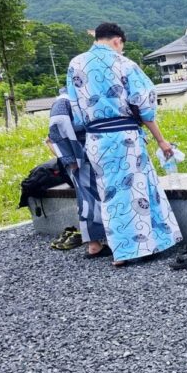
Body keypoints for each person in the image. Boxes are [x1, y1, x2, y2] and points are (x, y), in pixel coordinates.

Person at [66, 22, 182, 266]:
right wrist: (161, 140)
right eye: (122, 47)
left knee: (110, 194)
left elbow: (75, 110)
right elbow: (146, 106)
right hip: (124, 137)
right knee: (135, 190)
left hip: (95, 139)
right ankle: (135, 249)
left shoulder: (75, 65)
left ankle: (124, 248)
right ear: (117, 40)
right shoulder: (124, 64)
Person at [46, 87, 108, 257]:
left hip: (90, 153)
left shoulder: (75, 97)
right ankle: (95, 244)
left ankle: (99, 242)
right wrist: (70, 159)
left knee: (94, 197)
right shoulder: (64, 101)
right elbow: (55, 134)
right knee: (89, 199)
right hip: (81, 156)